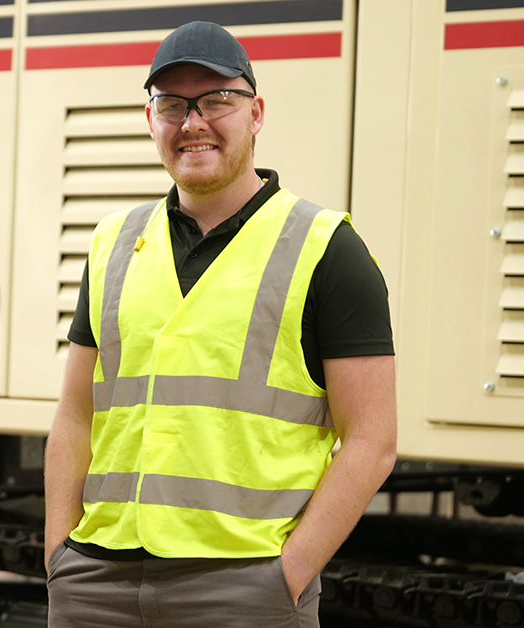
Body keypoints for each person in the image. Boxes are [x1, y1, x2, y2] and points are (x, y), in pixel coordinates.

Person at [44, 21, 397, 628]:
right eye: (173, 104)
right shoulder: (113, 244)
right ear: (150, 118)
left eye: (217, 101)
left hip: (243, 588)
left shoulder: (326, 248)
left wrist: (287, 574)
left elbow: (372, 439)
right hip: (95, 583)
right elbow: (75, 414)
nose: (193, 121)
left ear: (256, 113)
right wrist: (60, 557)